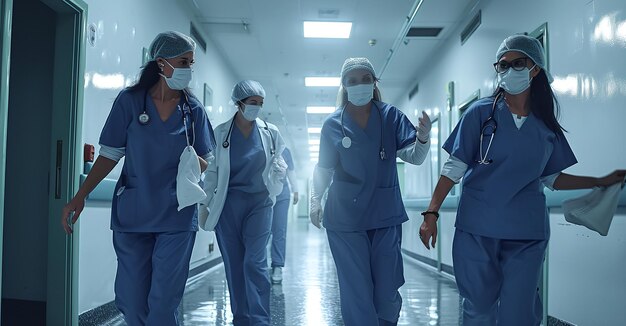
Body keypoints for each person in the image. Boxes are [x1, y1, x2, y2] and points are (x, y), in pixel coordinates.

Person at [418, 34, 626, 326]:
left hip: (526, 233)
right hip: (478, 229)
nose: (508, 70)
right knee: (478, 309)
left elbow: (553, 178)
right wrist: (431, 213)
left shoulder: (545, 124)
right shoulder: (480, 114)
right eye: (502, 66)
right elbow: (453, 169)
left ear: (535, 68)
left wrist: (599, 180)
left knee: (519, 313)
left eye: (518, 63)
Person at [61, 31, 215, 325]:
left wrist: (191, 165)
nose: (188, 70)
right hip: (134, 212)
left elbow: (206, 160)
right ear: (161, 63)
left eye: (191, 63)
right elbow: (109, 154)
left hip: (176, 216)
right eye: (183, 62)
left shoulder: (192, 110)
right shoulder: (130, 101)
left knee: (162, 303)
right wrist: (79, 197)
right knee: (131, 301)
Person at [309, 57, 432, 326]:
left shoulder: (390, 116)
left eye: (365, 79)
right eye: (352, 81)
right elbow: (324, 169)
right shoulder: (332, 124)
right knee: (357, 292)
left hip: (384, 215)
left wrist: (423, 138)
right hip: (344, 219)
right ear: (344, 86)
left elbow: (414, 156)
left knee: (386, 292)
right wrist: (315, 199)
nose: (360, 85)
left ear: (374, 83)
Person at [198, 80, 287, 325]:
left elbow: (277, 164)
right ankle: (241, 319)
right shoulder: (220, 133)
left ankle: (259, 320)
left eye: (260, 103)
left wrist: (280, 173)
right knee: (234, 266)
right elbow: (213, 172)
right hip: (228, 206)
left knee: (254, 263)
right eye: (252, 103)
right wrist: (204, 204)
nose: (256, 107)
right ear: (239, 103)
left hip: (259, 205)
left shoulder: (271, 132)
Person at [270, 147, 299, 284]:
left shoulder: (285, 150)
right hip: (263, 195)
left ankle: (277, 266)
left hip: (282, 195)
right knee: (261, 231)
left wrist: (296, 190)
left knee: (279, 230)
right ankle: (259, 266)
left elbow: (291, 171)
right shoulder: (260, 145)